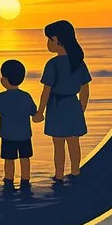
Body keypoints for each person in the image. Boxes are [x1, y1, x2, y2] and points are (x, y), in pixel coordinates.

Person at [39, 20, 91, 179]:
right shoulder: (78, 63)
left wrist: (40, 111)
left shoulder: (53, 64)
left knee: (59, 145)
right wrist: (81, 107)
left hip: (57, 106)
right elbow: (85, 88)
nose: (48, 43)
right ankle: (75, 171)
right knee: (74, 143)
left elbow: (46, 91)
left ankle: (59, 175)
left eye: (49, 39)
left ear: (56, 40)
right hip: (73, 105)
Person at [0, 60, 39, 188]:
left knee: (9, 160)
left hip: (8, 136)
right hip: (24, 135)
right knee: (25, 159)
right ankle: (25, 179)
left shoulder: (1, 97)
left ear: (5, 79)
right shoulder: (26, 96)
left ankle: (9, 179)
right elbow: (35, 113)